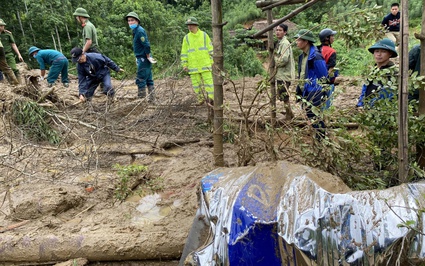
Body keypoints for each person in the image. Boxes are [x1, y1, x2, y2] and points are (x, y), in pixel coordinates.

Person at [294, 29, 329, 140]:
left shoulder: (316, 56)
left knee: (316, 118)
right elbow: (302, 75)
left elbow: (323, 76)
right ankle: (318, 139)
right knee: (310, 116)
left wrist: (323, 92)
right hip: (306, 90)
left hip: (315, 91)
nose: (296, 42)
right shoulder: (302, 56)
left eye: (299, 39)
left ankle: (321, 140)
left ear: (306, 42)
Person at [180, 17, 214, 105]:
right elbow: (184, 53)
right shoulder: (186, 38)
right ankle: (200, 100)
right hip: (193, 66)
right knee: (196, 85)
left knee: (209, 84)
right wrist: (184, 64)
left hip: (205, 65)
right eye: (188, 25)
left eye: (191, 25)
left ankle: (211, 100)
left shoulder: (204, 35)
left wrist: (212, 61)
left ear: (196, 25)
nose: (189, 27)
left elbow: (211, 50)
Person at [356, 38, 398, 108]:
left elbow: (389, 96)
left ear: (390, 54)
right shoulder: (372, 70)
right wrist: (360, 105)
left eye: (383, 51)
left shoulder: (393, 74)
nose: (379, 54)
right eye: (377, 51)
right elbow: (365, 89)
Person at [125, 12, 156, 102]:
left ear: (137, 21)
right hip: (141, 57)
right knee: (149, 79)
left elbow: (146, 45)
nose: (130, 22)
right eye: (129, 21)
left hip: (144, 57)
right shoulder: (135, 31)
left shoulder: (140, 31)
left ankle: (141, 101)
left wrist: (147, 56)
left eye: (132, 20)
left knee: (140, 79)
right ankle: (152, 100)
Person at [274, 23, 295, 120]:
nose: (277, 32)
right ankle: (289, 113)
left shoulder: (284, 43)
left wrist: (274, 62)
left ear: (285, 32)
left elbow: (284, 59)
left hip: (284, 75)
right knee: (283, 95)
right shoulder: (280, 43)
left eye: (280, 30)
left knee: (284, 96)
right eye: (277, 30)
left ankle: (288, 115)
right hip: (281, 74)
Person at [317, 28, 338, 109]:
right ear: (327, 38)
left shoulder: (316, 49)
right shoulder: (331, 51)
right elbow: (331, 69)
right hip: (326, 82)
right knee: (326, 104)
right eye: (332, 36)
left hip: (316, 81)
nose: (333, 37)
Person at [0, 18, 24, 84]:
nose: (1, 27)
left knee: (14, 69)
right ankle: (12, 84)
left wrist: (19, 54)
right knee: (5, 71)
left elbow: (13, 44)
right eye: (0, 26)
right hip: (1, 56)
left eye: (2, 26)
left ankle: (20, 84)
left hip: (8, 54)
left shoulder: (8, 34)